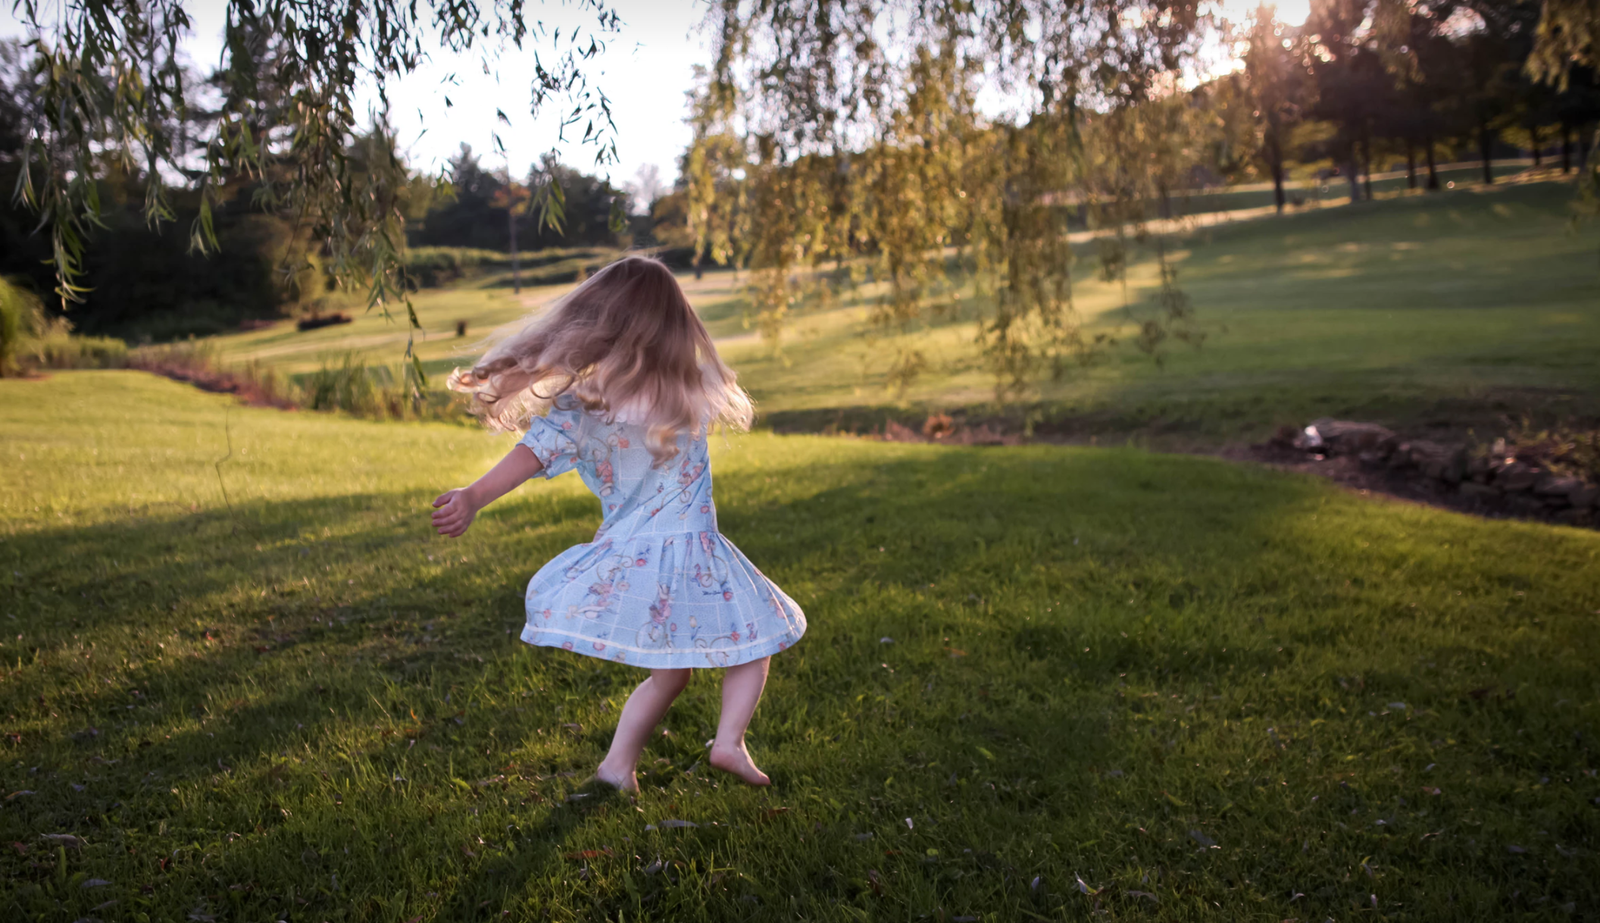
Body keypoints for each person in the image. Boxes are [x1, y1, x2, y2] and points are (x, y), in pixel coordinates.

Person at [430, 256, 805, 791]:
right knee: (757, 639)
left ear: (597, 326)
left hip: (633, 554)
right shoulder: (691, 390)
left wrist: (474, 496)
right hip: (696, 551)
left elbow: (531, 455)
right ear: (676, 325)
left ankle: (617, 767)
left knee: (670, 675)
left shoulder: (586, 405)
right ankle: (727, 742)